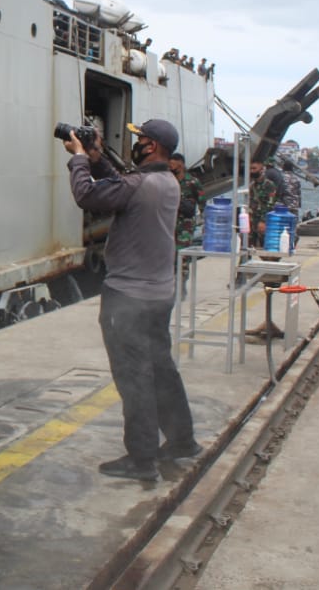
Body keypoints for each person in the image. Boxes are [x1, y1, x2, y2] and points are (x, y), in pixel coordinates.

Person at [65, 119, 199, 481]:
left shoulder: (140, 183)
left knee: (133, 376)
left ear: (152, 146)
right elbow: (123, 187)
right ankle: (182, 440)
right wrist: (97, 159)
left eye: (140, 140)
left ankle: (141, 460)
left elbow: (88, 197)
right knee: (161, 368)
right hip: (159, 294)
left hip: (128, 297)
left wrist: (79, 158)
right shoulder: (167, 182)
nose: (135, 144)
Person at [244, 158, 283, 342]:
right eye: (250, 167)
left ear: (263, 167)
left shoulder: (268, 185)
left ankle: (269, 322)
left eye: (255, 166)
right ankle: (267, 321)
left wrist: (263, 222)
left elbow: (270, 205)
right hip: (253, 232)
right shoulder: (251, 186)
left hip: (266, 231)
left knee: (270, 272)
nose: (252, 169)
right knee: (263, 274)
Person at [169, 152, 202, 294]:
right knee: (169, 255)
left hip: (185, 225)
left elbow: (202, 200)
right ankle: (170, 285)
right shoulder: (169, 180)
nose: (169, 164)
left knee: (183, 255)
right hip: (169, 223)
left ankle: (181, 285)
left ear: (180, 164)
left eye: (172, 162)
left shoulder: (192, 182)